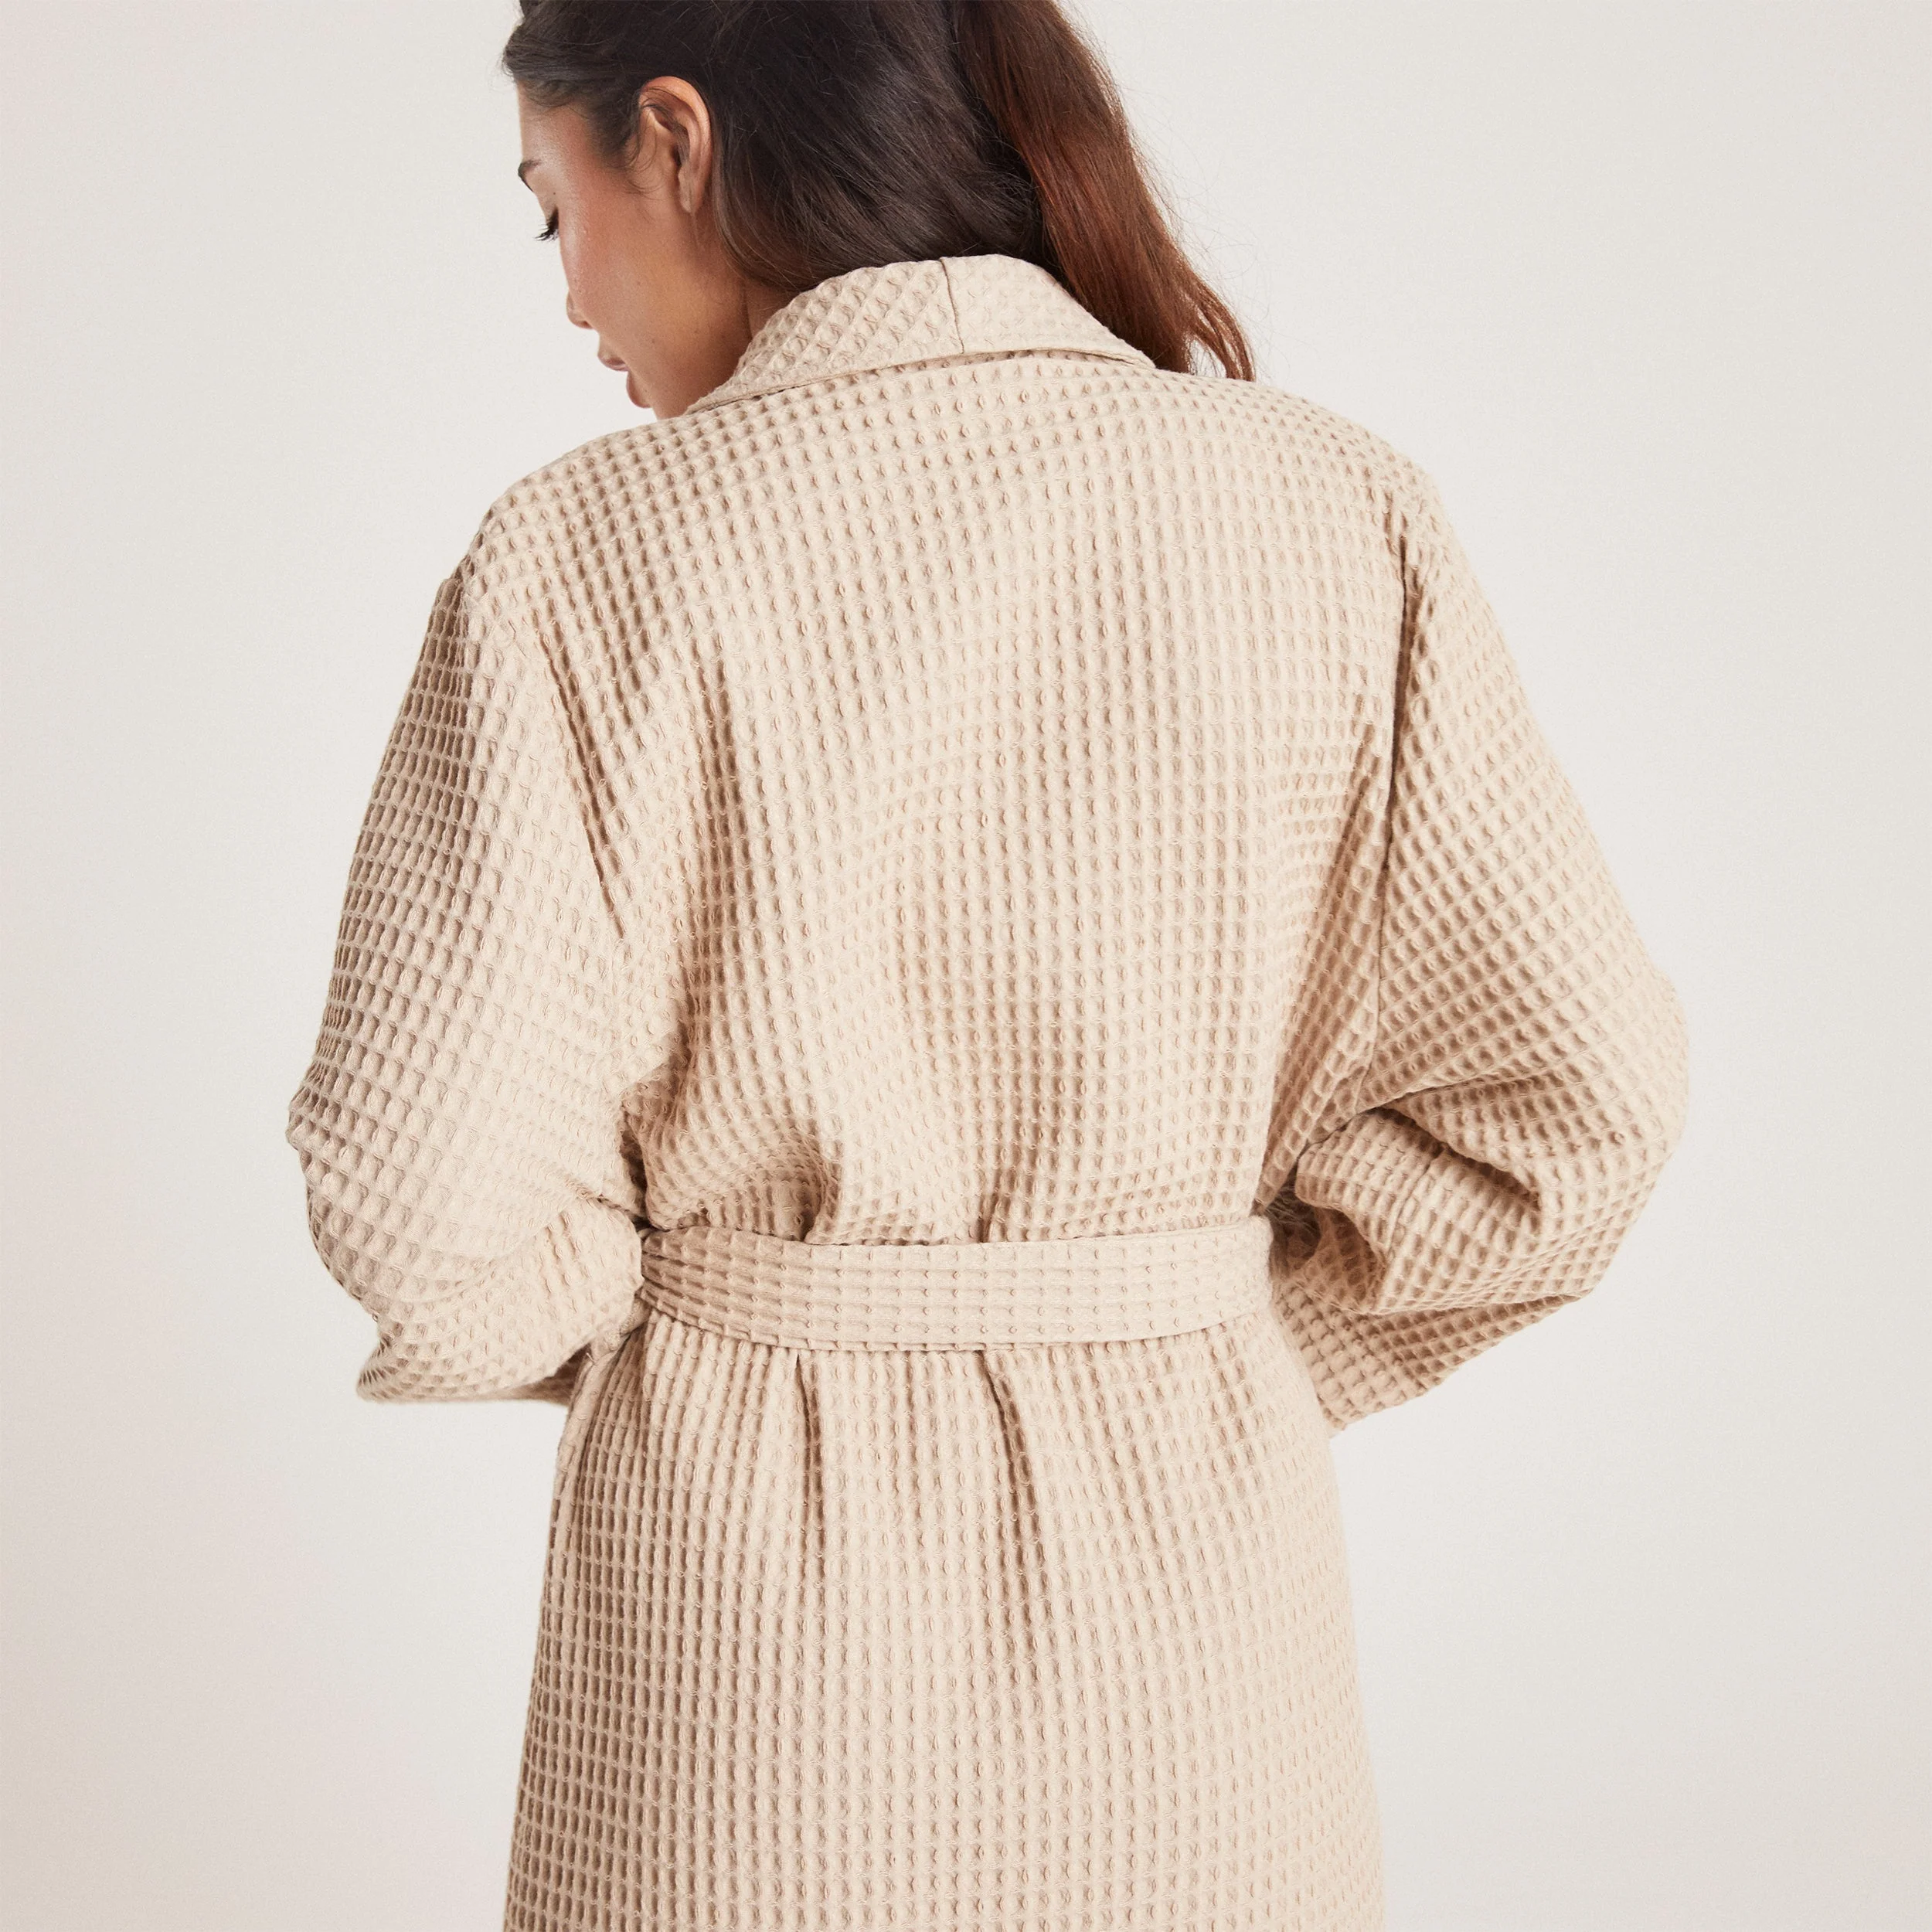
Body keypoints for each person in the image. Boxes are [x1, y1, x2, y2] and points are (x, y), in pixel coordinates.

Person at [284, 2, 1692, 1927]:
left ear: (675, 139)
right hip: (1206, 1666)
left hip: (736, 1686)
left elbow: (415, 1200)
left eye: (552, 210)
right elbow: (1572, 1110)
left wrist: (704, 1318)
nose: (566, 294)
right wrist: (1200, 1330)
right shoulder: (1328, 508)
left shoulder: (580, 562)